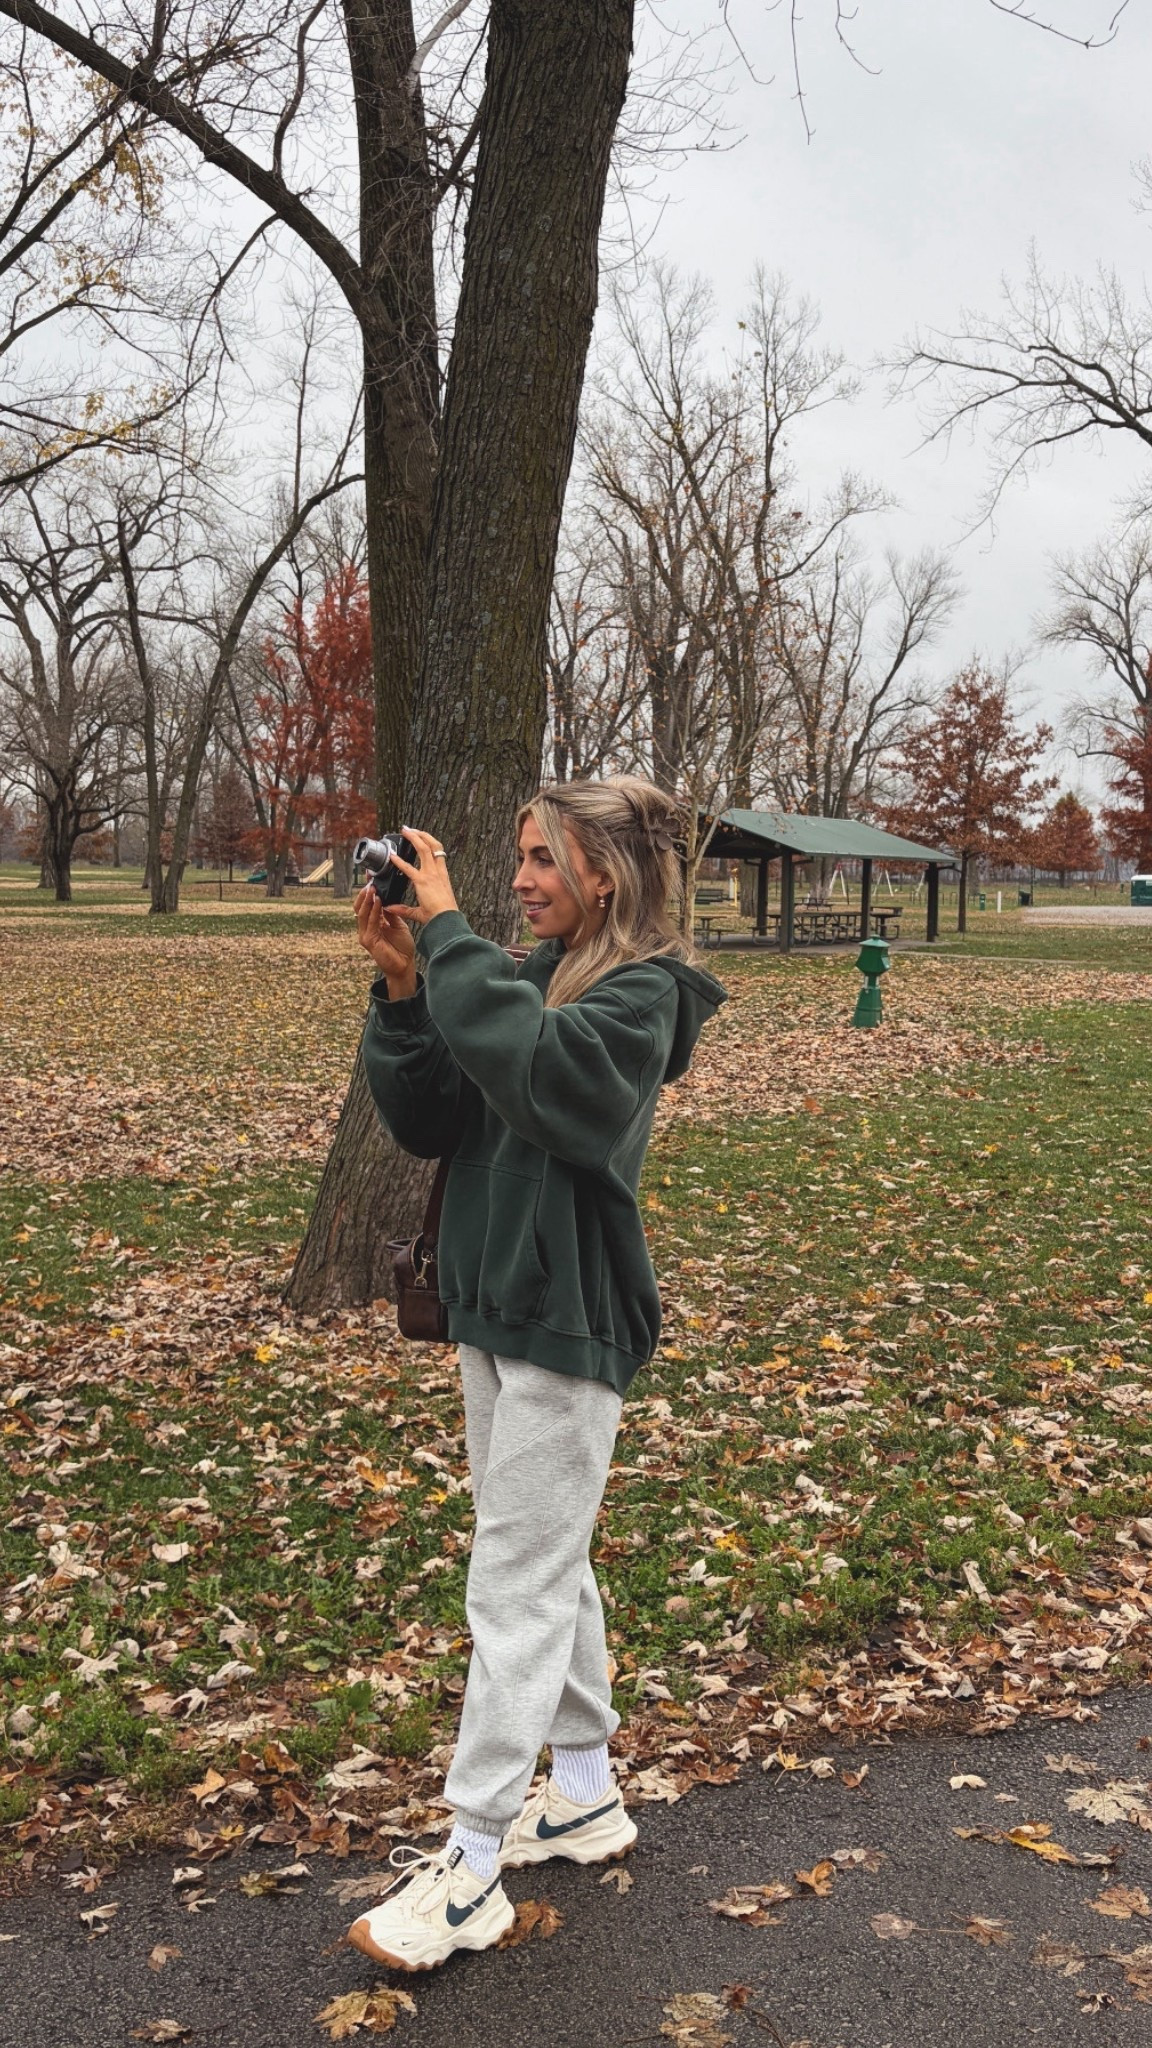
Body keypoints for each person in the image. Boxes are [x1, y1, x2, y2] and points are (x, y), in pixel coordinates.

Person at [345, 776, 726, 1972]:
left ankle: (472, 1863)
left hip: (570, 1316)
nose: (517, 878)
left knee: (514, 1571)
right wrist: (409, 983)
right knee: (543, 1552)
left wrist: (453, 942)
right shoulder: (513, 974)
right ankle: (582, 1787)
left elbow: (557, 1085)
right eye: (515, 857)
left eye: (540, 858)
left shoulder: (644, 996)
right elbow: (427, 1117)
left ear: (603, 873)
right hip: (493, 1304)